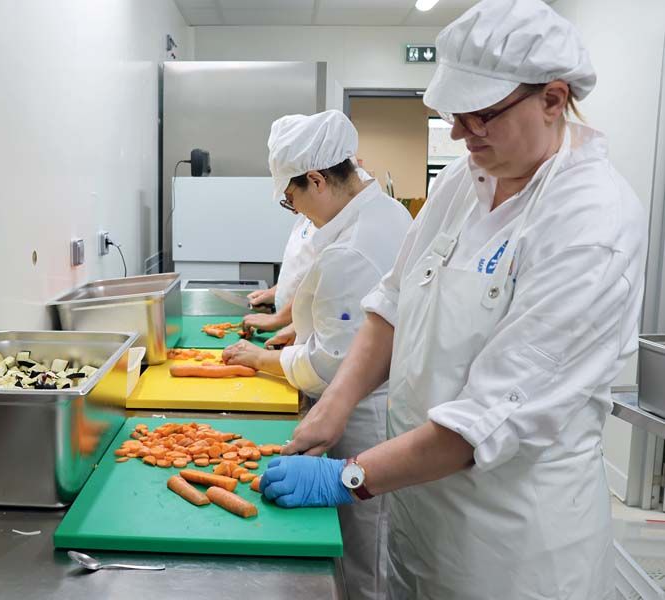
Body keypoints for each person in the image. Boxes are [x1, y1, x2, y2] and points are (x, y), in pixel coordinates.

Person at [257, 1, 648, 599]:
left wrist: (349, 474)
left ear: (552, 98)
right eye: (454, 115)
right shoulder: (466, 182)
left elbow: (490, 418)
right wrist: (334, 406)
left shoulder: (591, 223)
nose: (462, 134)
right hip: (421, 504)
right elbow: (392, 303)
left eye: (482, 114)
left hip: (511, 542)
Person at [222, 109, 412, 600]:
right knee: (366, 549)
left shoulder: (356, 245)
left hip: (365, 418)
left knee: (362, 552)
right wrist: (298, 328)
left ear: (316, 180)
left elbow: (332, 366)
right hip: (376, 405)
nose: (297, 211)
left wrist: (263, 360)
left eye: (292, 200)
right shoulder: (381, 212)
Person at [242, 214, 317, 343]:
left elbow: (319, 282)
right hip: (291, 328)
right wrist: (275, 293)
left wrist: (279, 318)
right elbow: (299, 270)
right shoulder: (305, 218)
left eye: (290, 197)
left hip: (311, 330)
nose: (292, 208)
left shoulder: (334, 221)